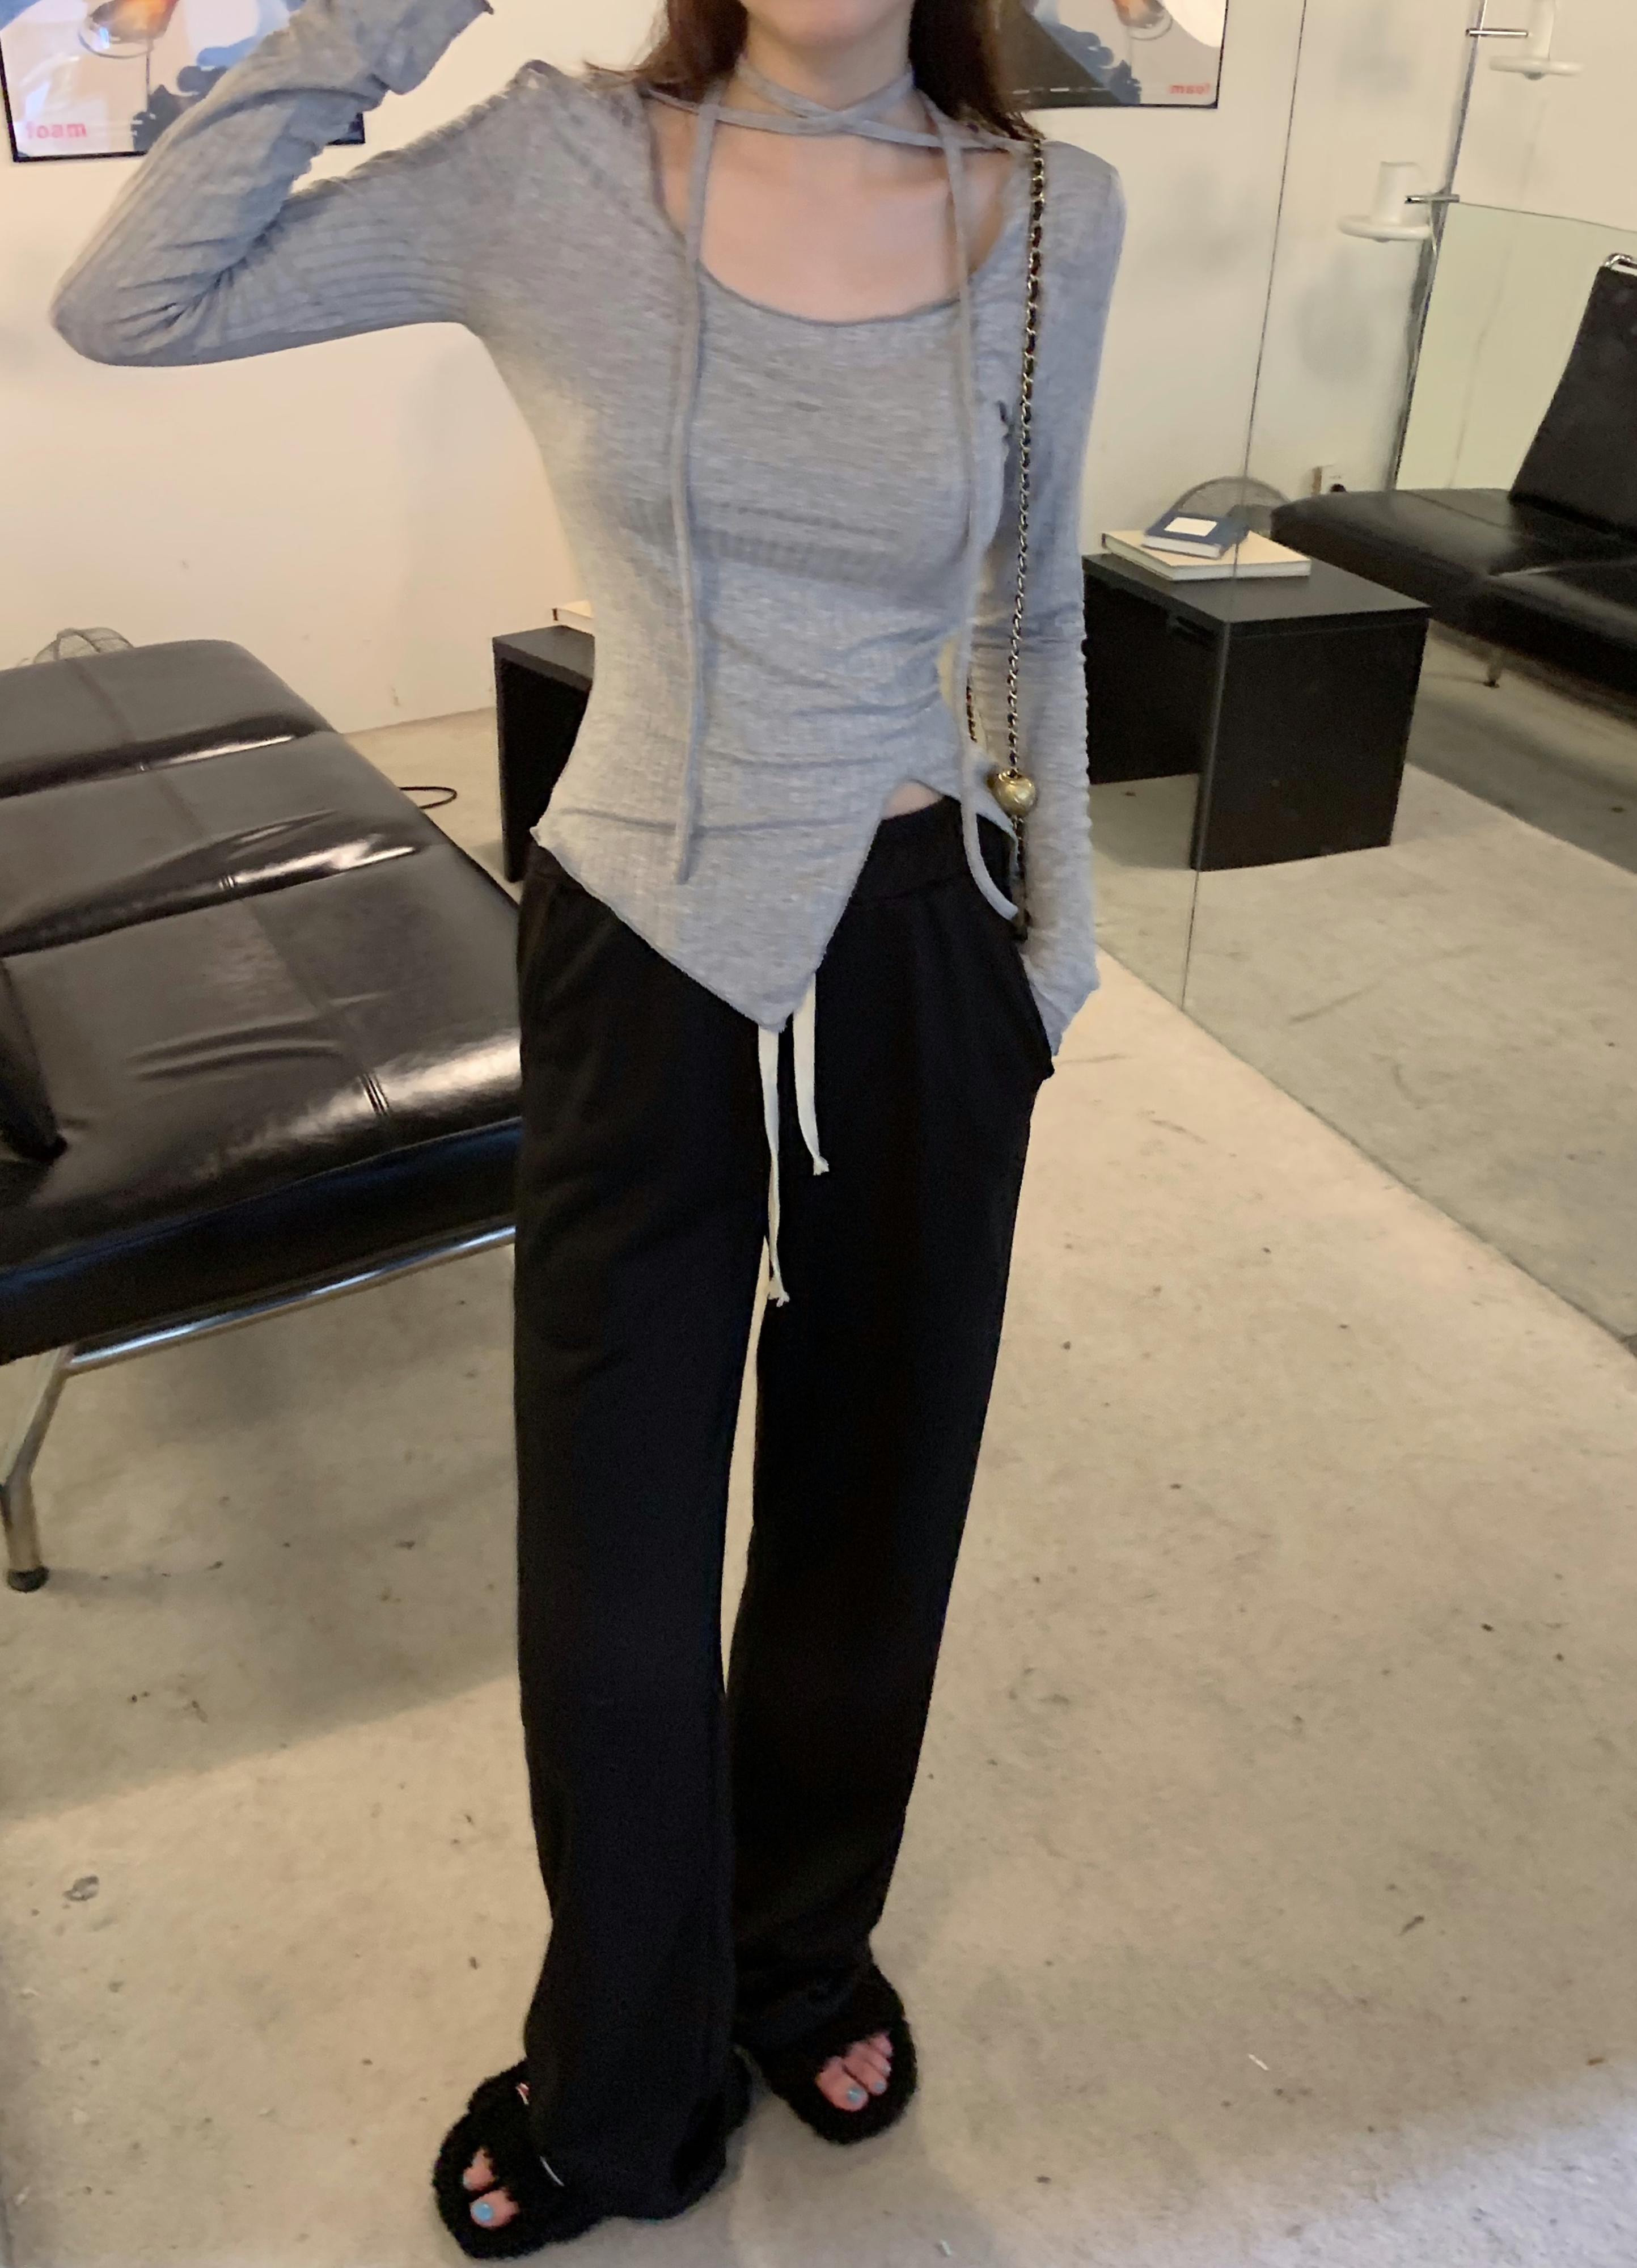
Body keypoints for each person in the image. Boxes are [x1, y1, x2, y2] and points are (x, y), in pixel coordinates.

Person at [51, 0, 1123, 2253]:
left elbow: (1032, 598)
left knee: (879, 1493)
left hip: (923, 943)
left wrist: (1055, 949)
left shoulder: (1048, 207)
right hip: (640, 936)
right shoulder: (549, 171)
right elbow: (132, 302)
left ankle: (796, 1957)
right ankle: (621, 2064)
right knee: (615, 1545)